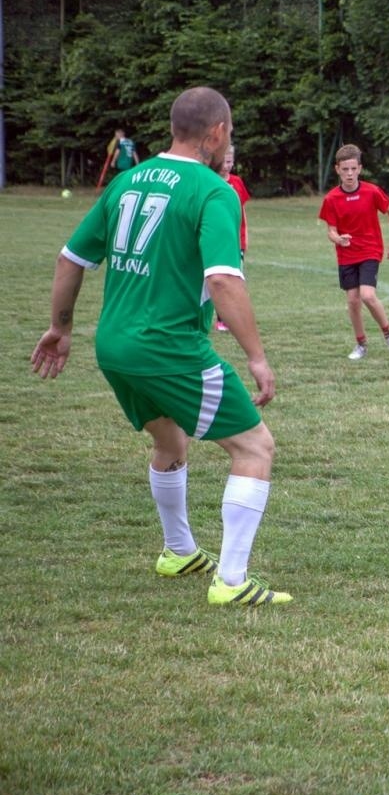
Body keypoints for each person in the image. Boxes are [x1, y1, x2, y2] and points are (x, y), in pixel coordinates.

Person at [31, 86, 291, 606]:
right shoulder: (213, 190)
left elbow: (70, 259)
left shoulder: (127, 180)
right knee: (254, 446)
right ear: (216, 133)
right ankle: (232, 582)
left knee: (170, 440)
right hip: (168, 348)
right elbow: (223, 279)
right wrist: (257, 357)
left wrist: (61, 328)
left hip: (115, 347)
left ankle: (178, 551)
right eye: (230, 134)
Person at [318, 144, 389, 361]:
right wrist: (338, 238)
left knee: (367, 295)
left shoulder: (371, 191)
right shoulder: (331, 199)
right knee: (353, 300)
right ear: (337, 169)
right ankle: (361, 344)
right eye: (345, 169)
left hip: (369, 250)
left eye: (353, 169)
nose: (349, 174)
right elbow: (331, 230)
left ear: (360, 169)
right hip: (347, 254)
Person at [215, 144, 251, 333]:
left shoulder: (237, 182)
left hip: (237, 240)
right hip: (218, 239)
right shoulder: (211, 180)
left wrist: (246, 235)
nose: (226, 165)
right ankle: (221, 317)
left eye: (229, 161)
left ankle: (231, 317)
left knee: (236, 278)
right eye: (223, 161)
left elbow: (242, 210)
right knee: (219, 278)